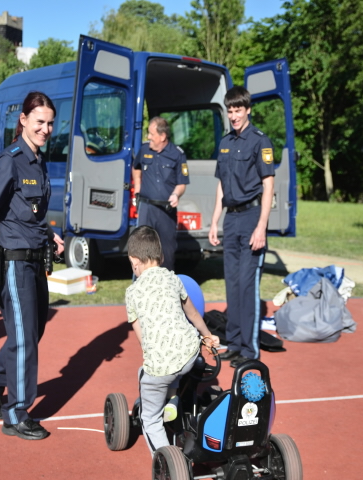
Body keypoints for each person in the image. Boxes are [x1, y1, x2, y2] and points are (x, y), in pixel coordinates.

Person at [0, 91, 64, 441]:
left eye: (50, 123)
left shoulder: (38, 160)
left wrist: (50, 236)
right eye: (39, 121)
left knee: (31, 332)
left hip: (35, 259)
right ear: (24, 120)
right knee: (25, 339)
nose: (46, 128)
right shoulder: (8, 160)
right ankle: (16, 412)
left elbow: (31, 213)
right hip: (12, 262)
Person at [125, 225, 219, 455]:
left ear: (134, 261)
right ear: (162, 256)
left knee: (150, 418)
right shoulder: (173, 280)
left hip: (162, 366)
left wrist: (152, 356)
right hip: (189, 352)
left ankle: (167, 460)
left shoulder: (132, 292)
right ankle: (173, 399)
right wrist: (207, 337)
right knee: (175, 367)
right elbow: (193, 314)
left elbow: (143, 340)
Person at [208, 86, 275, 368]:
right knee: (233, 286)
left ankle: (249, 350)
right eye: (230, 110)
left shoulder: (260, 141)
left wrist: (261, 227)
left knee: (247, 286)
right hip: (231, 220)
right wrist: (214, 221)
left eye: (238, 110)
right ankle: (234, 344)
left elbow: (268, 185)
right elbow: (221, 185)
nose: (234, 115)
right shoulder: (224, 143)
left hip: (251, 218)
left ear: (248, 110)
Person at [132, 117, 189, 271]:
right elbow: (136, 166)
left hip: (166, 210)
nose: (148, 137)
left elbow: (182, 183)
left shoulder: (177, 154)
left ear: (162, 136)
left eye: (151, 134)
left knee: (166, 252)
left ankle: (166, 288)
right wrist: (137, 185)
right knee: (141, 249)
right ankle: (140, 288)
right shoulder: (144, 150)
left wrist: (176, 195)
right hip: (146, 207)